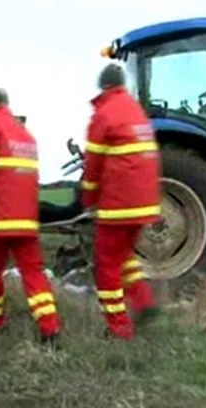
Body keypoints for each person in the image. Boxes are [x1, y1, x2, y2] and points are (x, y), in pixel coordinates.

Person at [0, 87, 61, 348]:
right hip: (25, 221)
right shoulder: (26, 135)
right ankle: (49, 329)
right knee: (34, 274)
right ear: (7, 103)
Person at [80, 63, 161, 341]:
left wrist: (89, 199)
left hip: (119, 203)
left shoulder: (104, 115)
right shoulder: (136, 111)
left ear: (103, 86)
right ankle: (142, 301)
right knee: (123, 255)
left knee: (106, 264)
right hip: (145, 202)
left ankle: (118, 328)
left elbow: (92, 165)